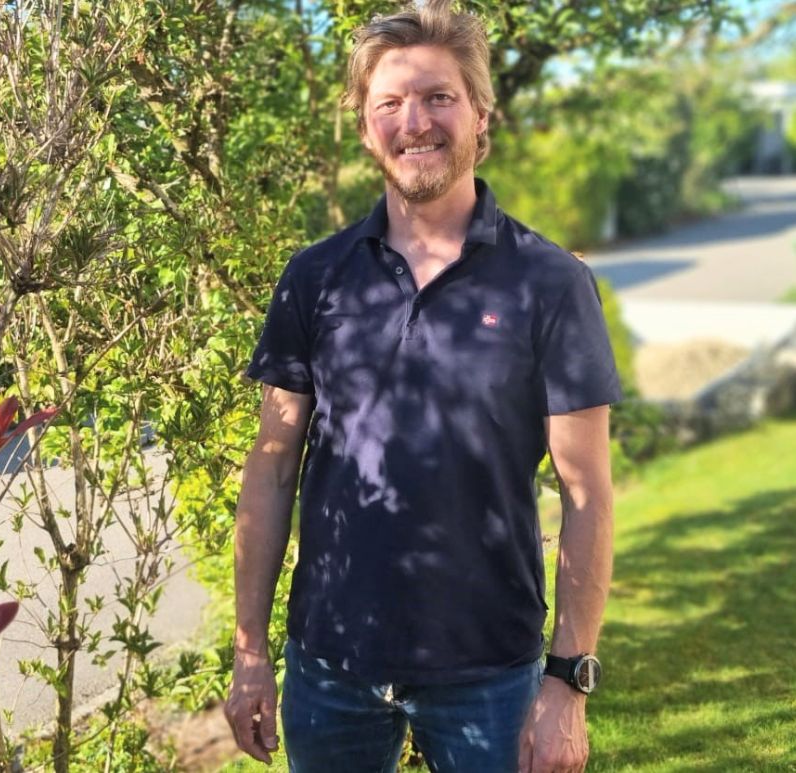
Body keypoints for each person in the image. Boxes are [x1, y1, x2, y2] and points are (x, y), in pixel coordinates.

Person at [222, 1, 620, 771]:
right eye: (391, 103)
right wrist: (249, 652)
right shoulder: (315, 278)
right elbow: (270, 470)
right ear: (365, 127)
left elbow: (586, 495)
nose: (415, 122)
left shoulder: (550, 283)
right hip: (329, 668)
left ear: (480, 114)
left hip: (490, 673)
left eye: (439, 97)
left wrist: (568, 680)